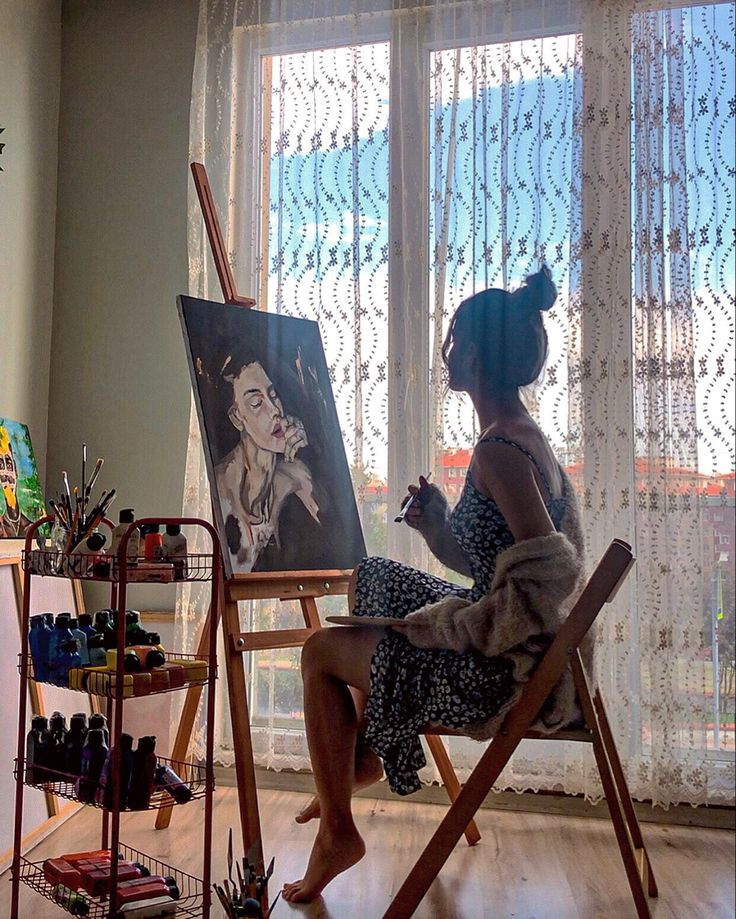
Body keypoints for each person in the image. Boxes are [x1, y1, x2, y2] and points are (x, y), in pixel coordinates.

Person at [282, 265, 590, 904]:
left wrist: (458, 626)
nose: (447, 353)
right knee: (374, 577)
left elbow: (550, 574)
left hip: (494, 677)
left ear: (472, 355)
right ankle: (363, 757)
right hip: (501, 653)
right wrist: (440, 528)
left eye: (452, 342)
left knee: (317, 653)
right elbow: (500, 566)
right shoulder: (521, 440)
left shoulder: (501, 450)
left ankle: (340, 829)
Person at [215, 358, 319, 572]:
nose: (275, 410)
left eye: (273, 395)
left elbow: (341, 533)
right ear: (237, 418)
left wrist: (308, 450)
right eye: (256, 403)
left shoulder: (294, 475)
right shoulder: (219, 486)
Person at [0, 425, 33, 538]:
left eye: (8, 465)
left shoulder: (31, 527)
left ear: (16, 471)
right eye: (0, 466)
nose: (6, 476)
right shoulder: (1, 525)